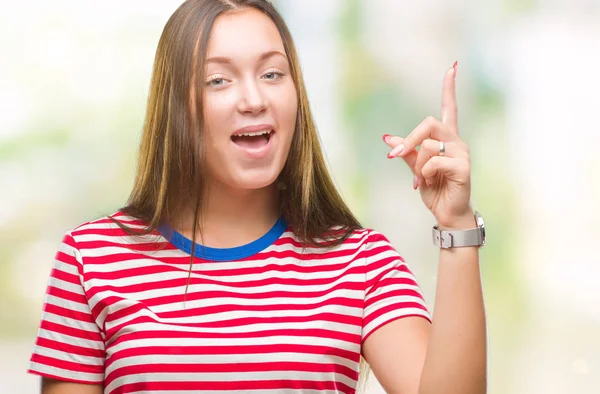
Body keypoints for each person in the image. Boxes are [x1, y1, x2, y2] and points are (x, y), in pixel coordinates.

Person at [27, 0, 487, 393]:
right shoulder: (91, 258)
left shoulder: (361, 262)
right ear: (176, 106)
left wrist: (457, 225)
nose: (253, 99)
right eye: (219, 80)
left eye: (272, 73)